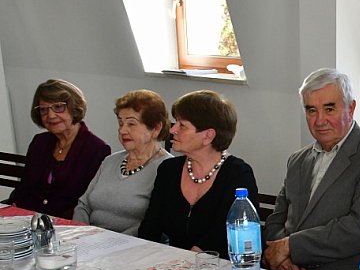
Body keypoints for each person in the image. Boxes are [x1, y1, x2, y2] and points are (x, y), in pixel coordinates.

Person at [262, 68, 360, 270]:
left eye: (329, 109)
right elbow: (276, 219)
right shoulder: (297, 160)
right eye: (311, 110)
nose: (320, 120)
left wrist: (290, 247)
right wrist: (281, 257)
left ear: (351, 108)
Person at [138, 90, 258, 257]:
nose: (172, 130)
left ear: (208, 136)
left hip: (222, 265)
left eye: (182, 125)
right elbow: (150, 228)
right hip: (174, 263)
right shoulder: (169, 169)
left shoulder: (237, 174)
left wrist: (185, 261)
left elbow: (223, 236)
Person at [9, 79, 110, 219]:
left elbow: (87, 204)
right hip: (26, 219)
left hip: (67, 224)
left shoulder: (96, 150)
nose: (50, 115)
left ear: (74, 108)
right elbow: (24, 187)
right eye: (43, 109)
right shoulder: (39, 142)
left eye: (58, 107)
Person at [73, 90, 171, 234]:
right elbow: (83, 205)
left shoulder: (168, 168)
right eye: (120, 123)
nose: (122, 130)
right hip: (87, 239)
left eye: (131, 124)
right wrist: (81, 234)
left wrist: (111, 242)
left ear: (156, 128)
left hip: (132, 243)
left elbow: (153, 223)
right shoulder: (110, 161)